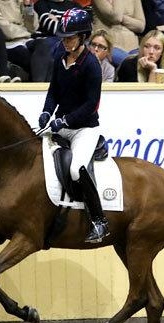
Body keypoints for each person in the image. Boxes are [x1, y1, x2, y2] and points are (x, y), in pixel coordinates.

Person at [38, 8, 109, 243]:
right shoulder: (60, 57)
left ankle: (99, 221)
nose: (66, 41)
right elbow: (54, 90)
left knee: (75, 169)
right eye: (64, 38)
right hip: (62, 124)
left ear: (82, 37)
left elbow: (91, 104)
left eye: (70, 37)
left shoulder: (91, 65)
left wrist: (65, 120)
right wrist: (47, 111)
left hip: (84, 128)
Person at [0, 0, 47, 82]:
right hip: (10, 44)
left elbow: (33, 28)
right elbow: (6, 31)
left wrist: (28, 7)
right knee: (33, 58)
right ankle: (38, 84)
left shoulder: (20, 2)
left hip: (27, 39)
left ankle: (45, 84)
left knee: (47, 45)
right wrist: (25, 31)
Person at [90, 0, 145, 67]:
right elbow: (116, 17)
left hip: (133, 47)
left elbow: (141, 26)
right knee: (133, 65)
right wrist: (129, 20)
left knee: (144, 63)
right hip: (110, 45)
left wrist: (123, 18)